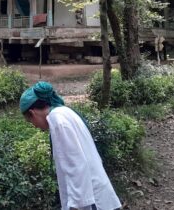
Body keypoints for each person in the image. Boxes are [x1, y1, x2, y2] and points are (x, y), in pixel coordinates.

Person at [20, 81, 121, 210]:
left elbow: (77, 166)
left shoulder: (58, 120)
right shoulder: (64, 112)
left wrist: (75, 206)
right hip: (96, 192)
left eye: (30, 121)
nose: (35, 126)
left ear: (33, 112)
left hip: (91, 199)